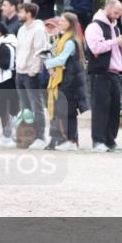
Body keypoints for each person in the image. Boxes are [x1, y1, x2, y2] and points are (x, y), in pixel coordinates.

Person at [85, 0, 122, 153]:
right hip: (100, 73)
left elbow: (116, 52)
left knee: (114, 109)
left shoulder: (115, 28)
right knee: (100, 108)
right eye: (116, 12)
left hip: (115, 73)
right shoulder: (94, 26)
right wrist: (115, 41)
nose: (118, 16)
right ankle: (98, 141)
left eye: (120, 13)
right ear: (107, 9)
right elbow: (96, 47)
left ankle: (110, 140)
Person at [44, 12, 87, 151]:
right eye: (60, 20)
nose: (60, 22)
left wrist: (47, 63)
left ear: (70, 23)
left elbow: (62, 59)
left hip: (70, 81)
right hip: (66, 79)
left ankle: (72, 141)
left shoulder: (70, 41)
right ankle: (69, 140)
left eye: (63, 21)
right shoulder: (63, 39)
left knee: (69, 113)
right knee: (65, 112)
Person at [14, 2, 49, 149]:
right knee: (25, 108)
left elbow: (40, 52)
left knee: (37, 106)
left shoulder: (39, 30)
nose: (18, 14)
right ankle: (28, 137)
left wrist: (34, 70)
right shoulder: (21, 29)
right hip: (20, 73)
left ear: (29, 13)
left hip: (31, 74)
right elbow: (19, 50)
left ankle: (41, 137)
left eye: (21, 12)